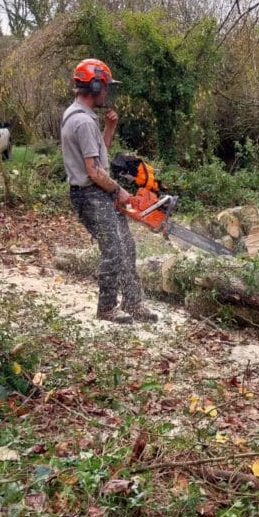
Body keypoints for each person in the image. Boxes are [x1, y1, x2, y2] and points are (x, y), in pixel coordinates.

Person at [61, 58, 157, 325]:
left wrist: (110, 127)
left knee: (127, 244)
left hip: (98, 192)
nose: (107, 93)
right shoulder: (81, 122)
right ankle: (106, 307)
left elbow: (98, 155)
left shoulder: (84, 119)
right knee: (113, 248)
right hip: (89, 194)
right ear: (94, 86)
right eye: (105, 87)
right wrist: (119, 191)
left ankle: (134, 302)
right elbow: (94, 171)